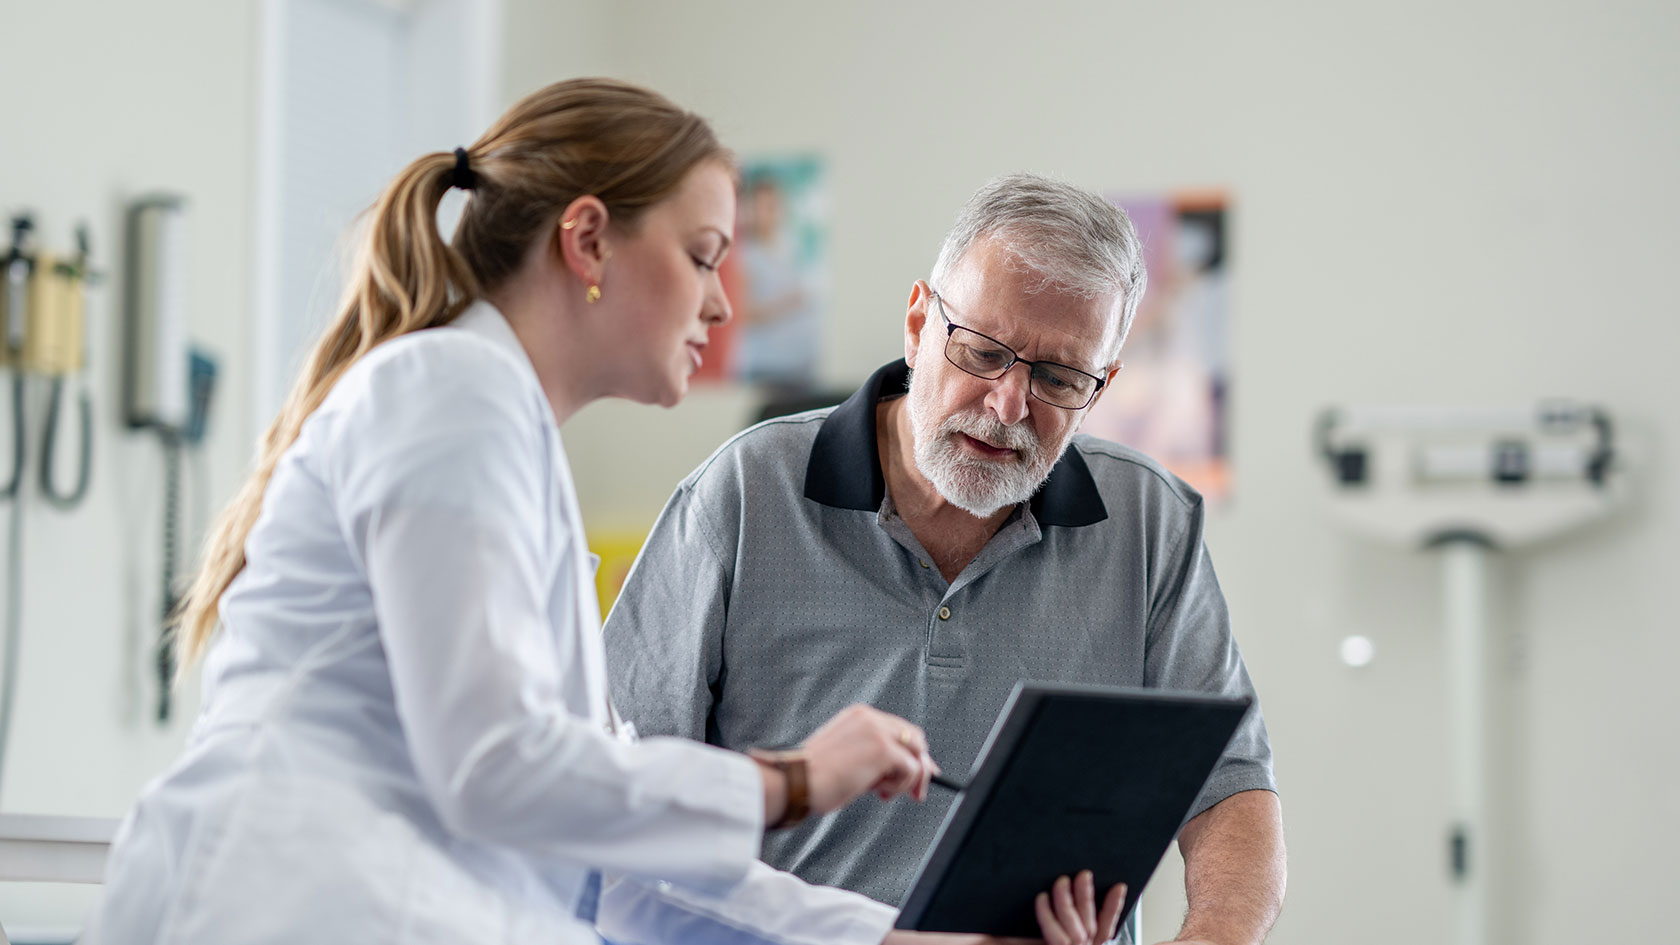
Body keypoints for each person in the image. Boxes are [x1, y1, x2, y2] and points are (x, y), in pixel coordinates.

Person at [83, 83, 1118, 945]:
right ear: (588, 242)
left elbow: (620, 853)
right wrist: (795, 779)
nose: (720, 304)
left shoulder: (503, 432)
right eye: (705, 253)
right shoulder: (450, 395)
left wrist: (899, 942)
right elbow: (497, 773)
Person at [604, 174, 1286, 945]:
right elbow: (623, 793)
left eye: (1059, 377)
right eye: (983, 352)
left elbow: (1229, 783)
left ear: (1102, 388)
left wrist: (1213, 937)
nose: (1007, 406)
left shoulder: (1150, 523)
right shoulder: (744, 493)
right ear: (919, 321)